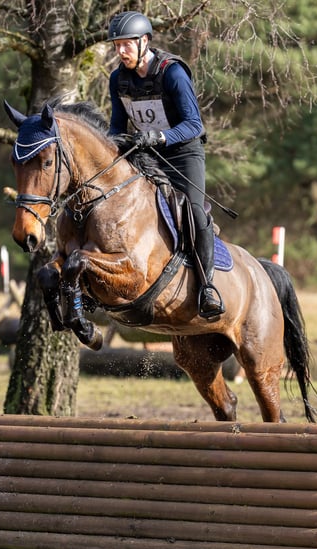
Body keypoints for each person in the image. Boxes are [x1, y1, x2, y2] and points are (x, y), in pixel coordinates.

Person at [106, 10, 224, 319]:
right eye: (116, 45)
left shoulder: (172, 73)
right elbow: (117, 127)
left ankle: (208, 287)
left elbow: (193, 124)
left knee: (194, 213)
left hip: (184, 154)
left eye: (126, 45)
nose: (120, 52)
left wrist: (157, 136)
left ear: (144, 41)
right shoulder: (118, 79)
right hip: (146, 153)